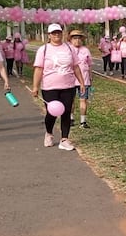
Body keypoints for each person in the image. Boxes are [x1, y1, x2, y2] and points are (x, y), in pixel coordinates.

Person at [32, 23, 86, 151]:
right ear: (49, 35)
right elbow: (39, 69)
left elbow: (76, 66)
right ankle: (49, 133)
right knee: (52, 113)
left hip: (68, 86)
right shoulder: (43, 49)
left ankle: (64, 139)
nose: (56, 35)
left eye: (58, 32)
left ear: (62, 33)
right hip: (49, 87)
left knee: (66, 111)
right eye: (54, 33)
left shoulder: (69, 48)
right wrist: (35, 86)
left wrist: (82, 82)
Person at [69, 30, 93, 129]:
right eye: (74, 38)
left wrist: (91, 77)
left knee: (83, 100)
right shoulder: (68, 50)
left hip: (85, 79)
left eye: (79, 38)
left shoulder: (86, 50)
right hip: (70, 80)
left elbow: (90, 64)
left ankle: (83, 121)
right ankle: (71, 118)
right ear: (70, 40)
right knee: (71, 100)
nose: (77, 40)